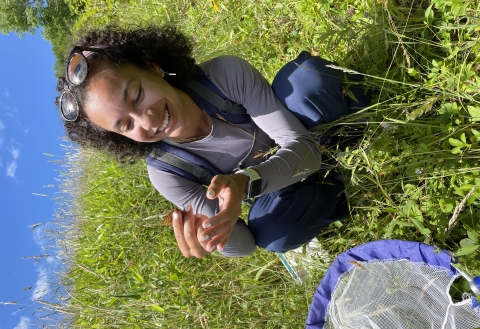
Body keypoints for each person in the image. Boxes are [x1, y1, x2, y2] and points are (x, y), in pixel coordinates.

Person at [56, 25, 365, 259]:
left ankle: (368, 123)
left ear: (153, 67)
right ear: (121, 138)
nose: (146, 120)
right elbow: (245, 244)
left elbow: (305, 150)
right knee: (272, 232)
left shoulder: (223, 76)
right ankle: (346, 189)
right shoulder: (167, 173)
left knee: (304, 81)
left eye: (136, 95)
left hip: (312, 135)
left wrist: (242, 184)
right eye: (126, 124)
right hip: (292, 182)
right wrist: (211, 236)